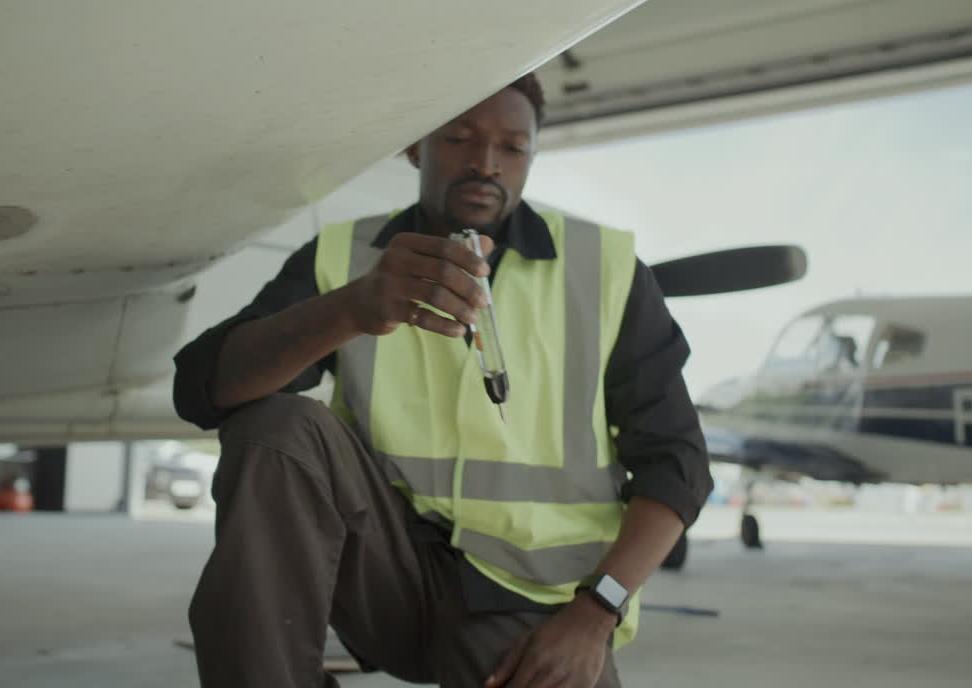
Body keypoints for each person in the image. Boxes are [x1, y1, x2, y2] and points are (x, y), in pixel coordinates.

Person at [173, 73, 712, 688]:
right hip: (383, 574)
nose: (486, 163)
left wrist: (595, 613)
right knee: (276, 425)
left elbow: (678, 464)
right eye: (458, 137)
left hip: (535, 597)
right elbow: (202, 390)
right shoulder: (344, 256)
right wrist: (349, 309)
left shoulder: (604, 269)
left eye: (513, 147)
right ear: (415, 146)